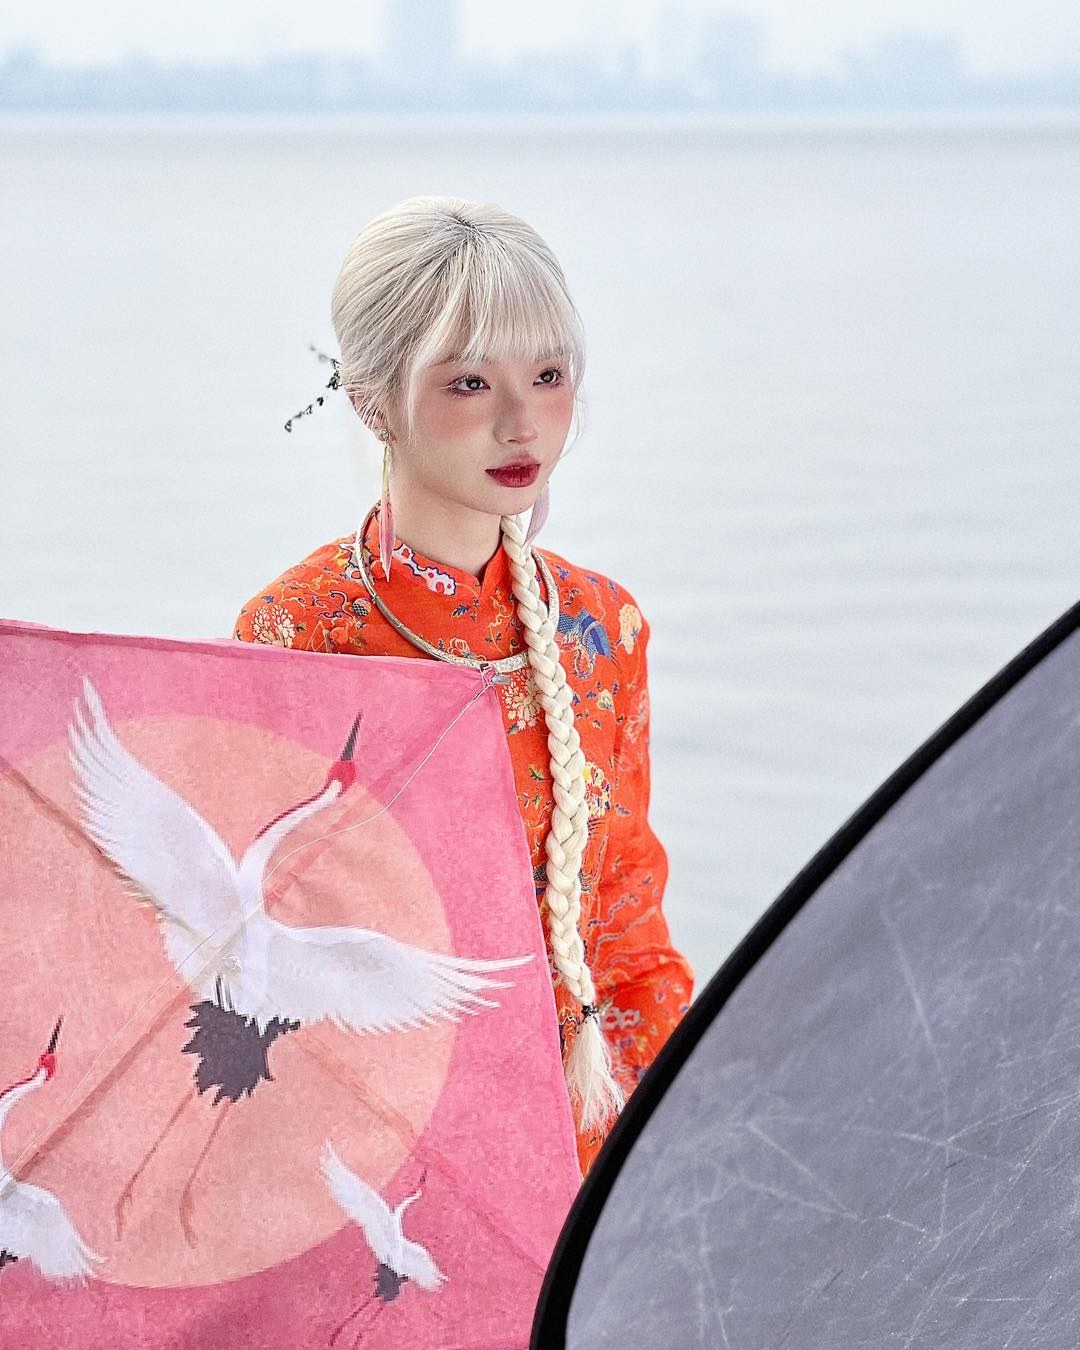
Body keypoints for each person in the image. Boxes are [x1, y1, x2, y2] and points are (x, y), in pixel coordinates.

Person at [232, 194, 694, 1180]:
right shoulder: (294, 632)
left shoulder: (601, 629)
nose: (522, 422)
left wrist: (681, 1118)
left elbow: (624, 910)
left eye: (549, 376)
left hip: (584, 1123)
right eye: (472, 383)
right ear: (372, 398)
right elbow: (256, 939)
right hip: (371, 1130)